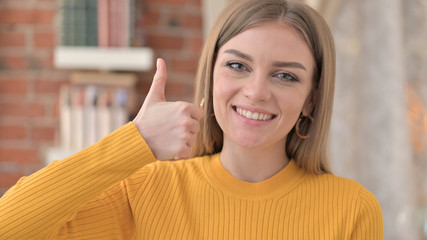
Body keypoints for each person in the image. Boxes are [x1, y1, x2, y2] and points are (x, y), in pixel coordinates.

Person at [0, 0, 383, 239]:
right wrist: (135, 141)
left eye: (286, 75)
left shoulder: (351, 210)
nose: (256, 91)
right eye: (237, 66)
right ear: (211, 76)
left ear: (311, 100)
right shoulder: (146, 191)